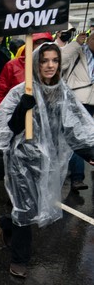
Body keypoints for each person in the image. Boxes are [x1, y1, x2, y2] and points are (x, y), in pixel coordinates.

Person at [0, 43, 94, 278]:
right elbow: (8, 127)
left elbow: (73, 128)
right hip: (21, 158)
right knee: (26, 207)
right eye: (44, 60)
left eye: (54, 61)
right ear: (36, 63)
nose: (50, 65)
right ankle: (20, 259)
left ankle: (7, 222)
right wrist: (23, 108)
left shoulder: (63, 93)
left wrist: (89, 154)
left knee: (33, 206)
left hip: (46, 161)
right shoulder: (21, 91)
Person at [0, 32, 54, 201]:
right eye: (38, 43)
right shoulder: (13, 65)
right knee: (6, 157)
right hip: (13, 121)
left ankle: (20, 192)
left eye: (46, 44)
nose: (41, 48)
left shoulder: (50, 69)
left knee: (29, 159)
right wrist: (4, 117)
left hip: (36, 124)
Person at [59, 30, 94, 191]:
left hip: (92, 104)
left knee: (87, 140)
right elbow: (61, 60)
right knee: (77, 139)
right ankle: (77, 177)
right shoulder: (78, 51)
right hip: (76, 102)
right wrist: (75, 44)